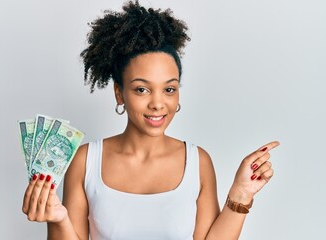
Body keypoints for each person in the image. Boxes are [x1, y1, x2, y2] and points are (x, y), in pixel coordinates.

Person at [22, 1, 280, 239]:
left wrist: (241, 193)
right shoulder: (85, 161)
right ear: (119, 93)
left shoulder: (198, 162)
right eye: (141, 89)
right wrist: (57, 219)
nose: (158, 103)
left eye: (169, 89)